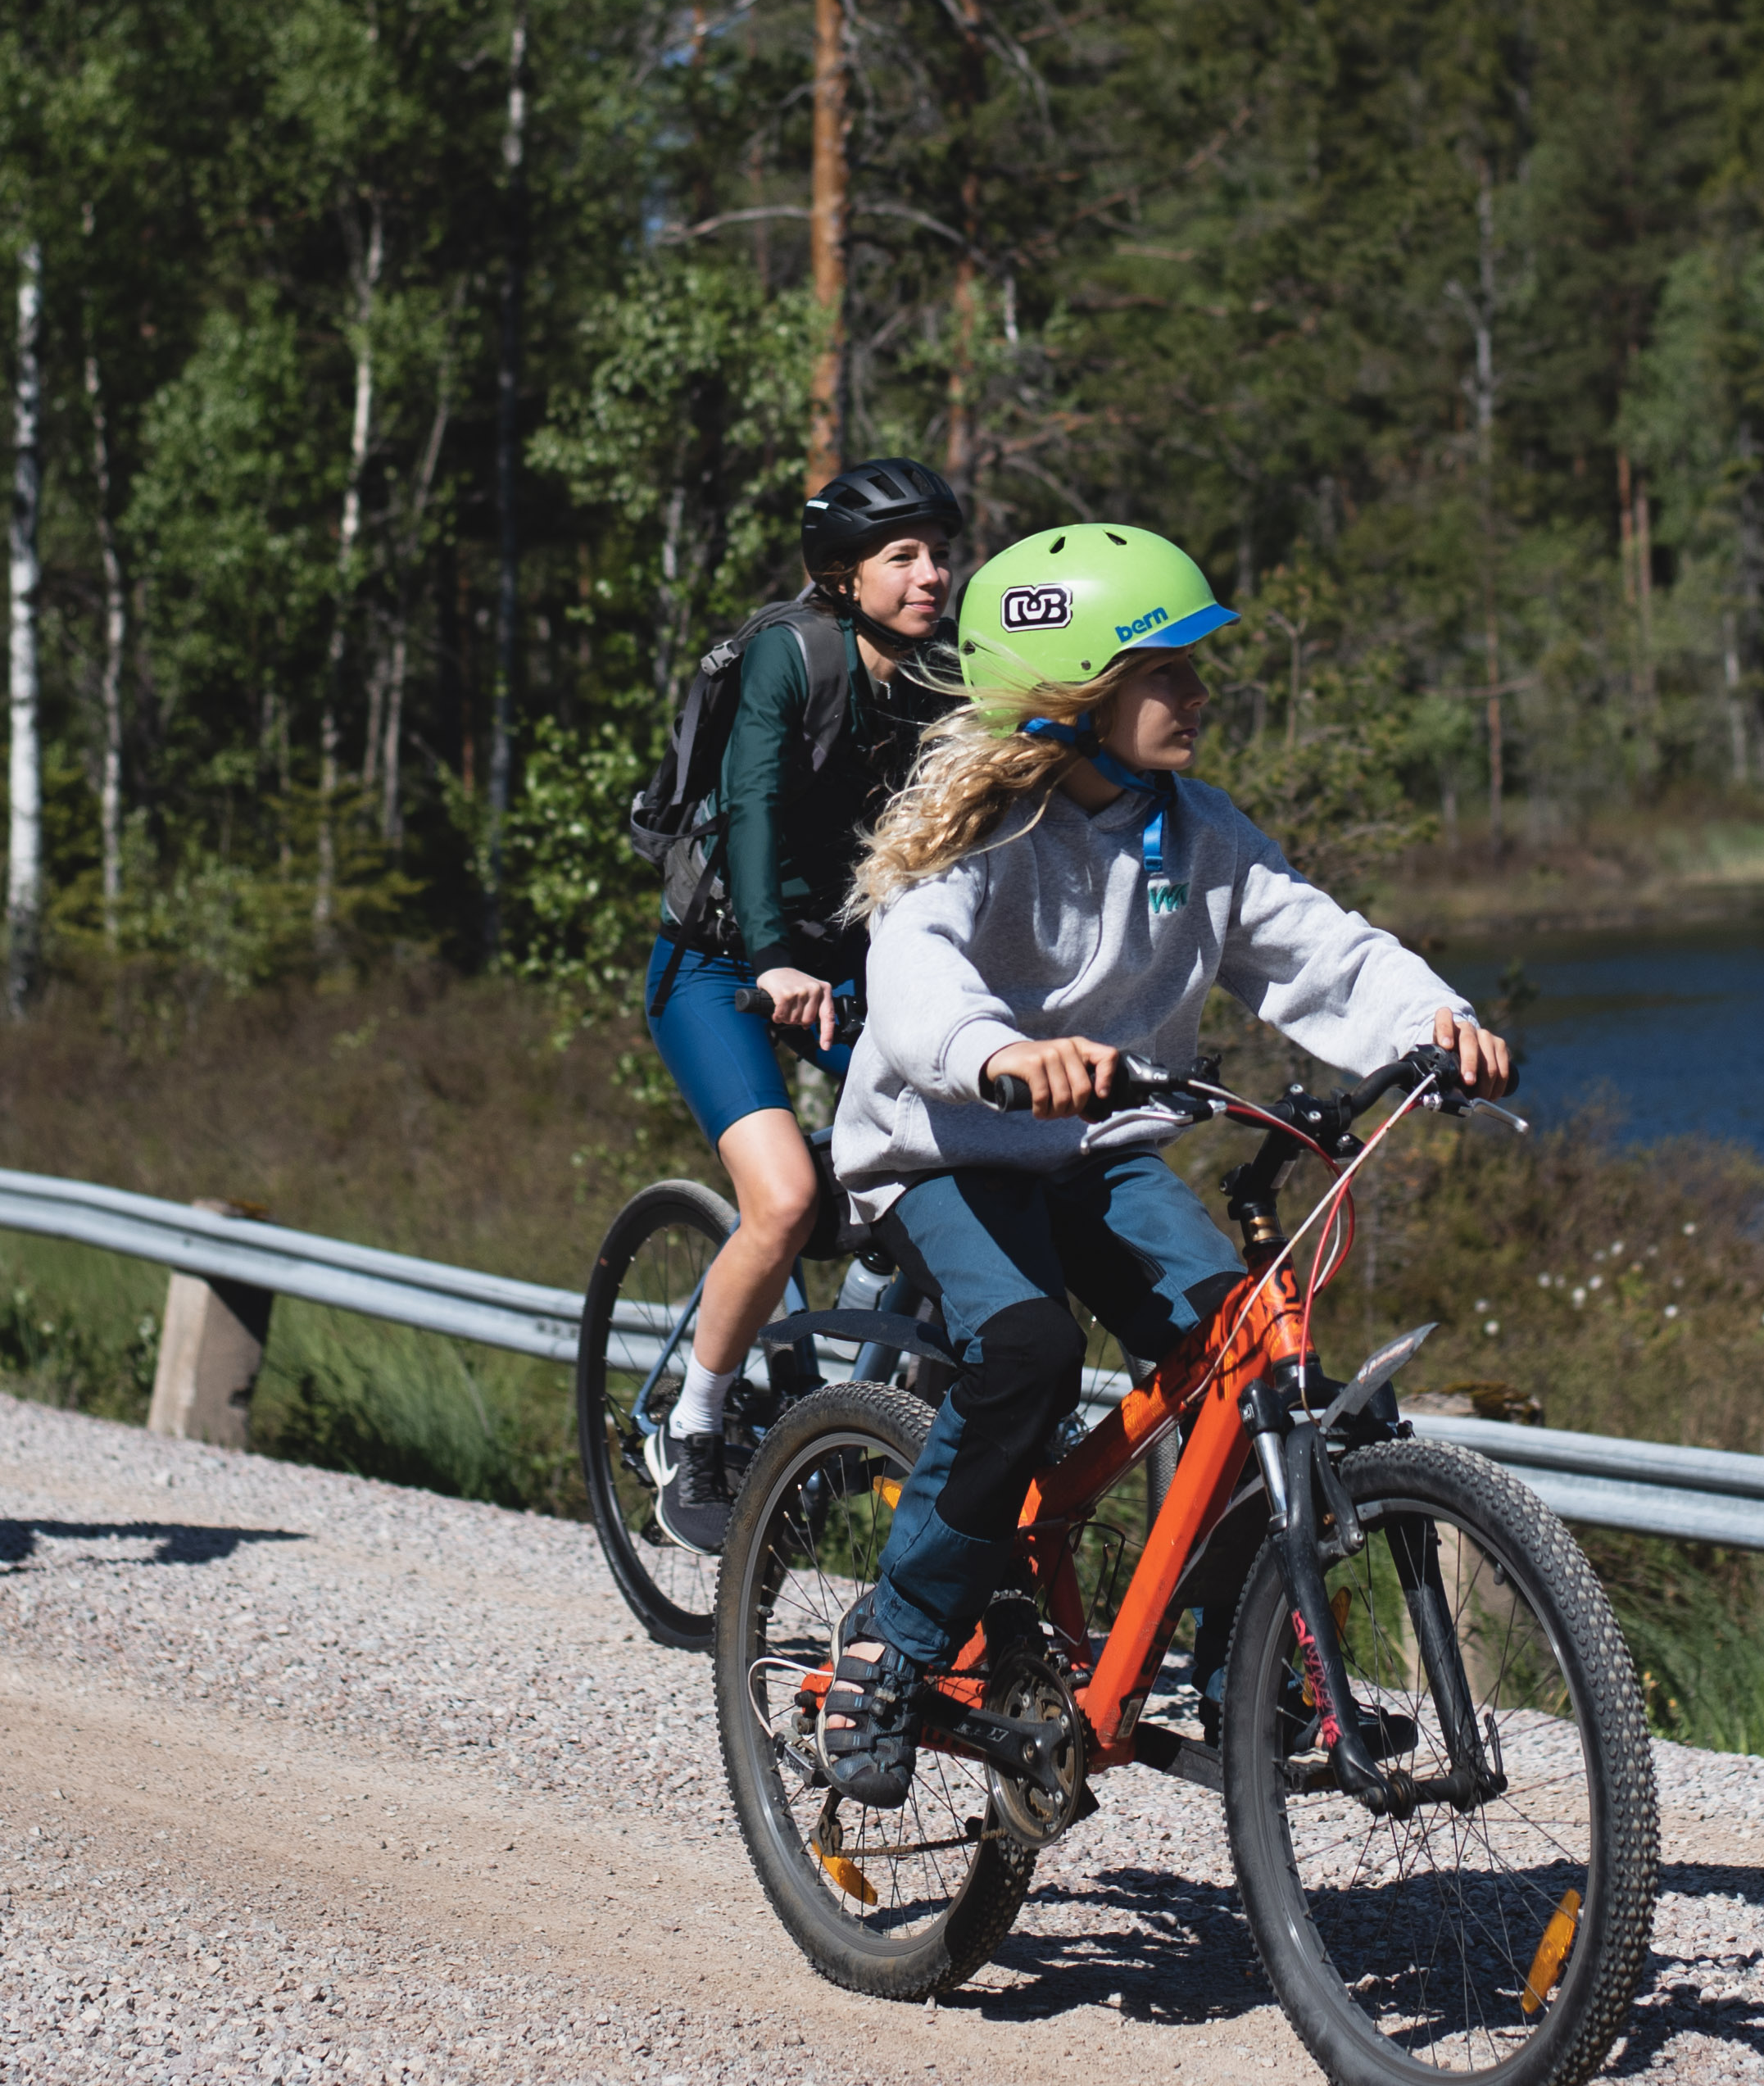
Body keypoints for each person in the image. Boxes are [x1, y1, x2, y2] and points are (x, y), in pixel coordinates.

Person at [816, 518, 1510, 1804]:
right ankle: (894, 1644)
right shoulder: (983, 827)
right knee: (1021, 1351)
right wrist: (995, 1054)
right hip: (943, 1148)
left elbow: (1322, 951)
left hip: (1101, 1152)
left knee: (1242, 1356)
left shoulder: (1197, 830)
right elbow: (913, 979)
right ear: (1073, 690)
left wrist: (1435, 1025)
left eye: (1194, 666)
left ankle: (1243, 1649)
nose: (1197, 691)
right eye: (1164, 669)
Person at [644, 455, 962, 1549]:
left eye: (938, 553)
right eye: (903, 556)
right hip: (724, 968)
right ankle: (690, 1429)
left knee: (967, 1154)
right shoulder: (791, 651)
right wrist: (775, 960)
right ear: (838, 573)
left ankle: (885, 1434)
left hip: (842, 970)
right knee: (778, 1200)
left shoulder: (932, 678)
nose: (933, 573)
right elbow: (755, 808)